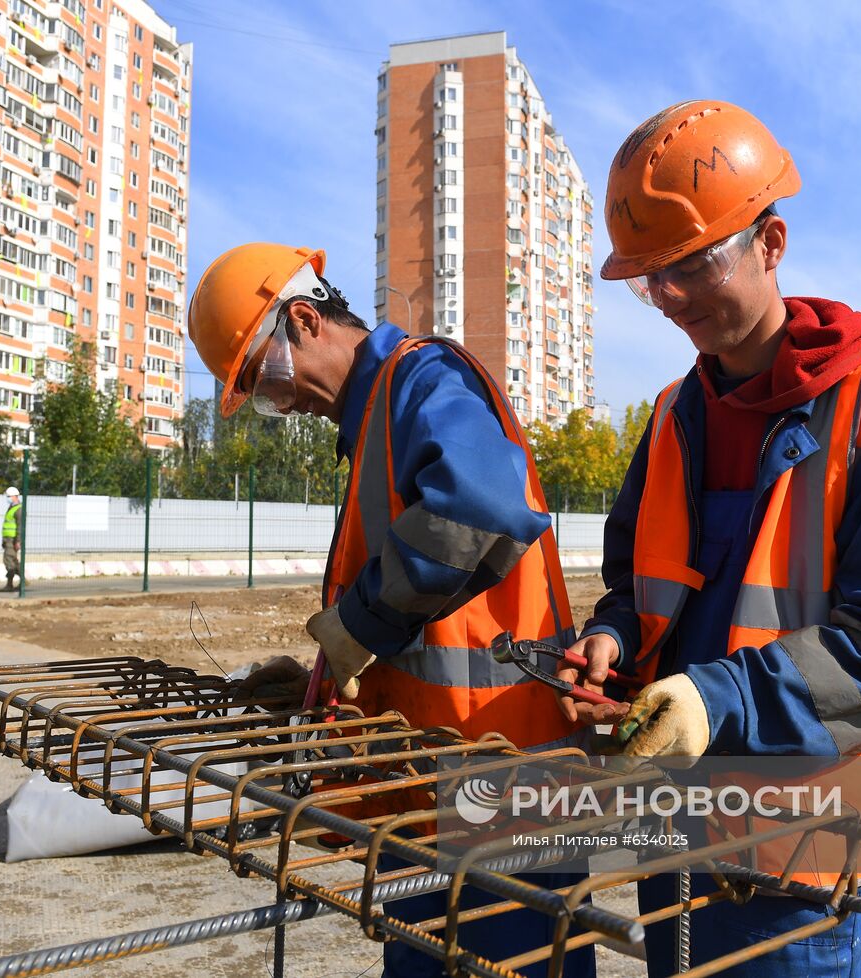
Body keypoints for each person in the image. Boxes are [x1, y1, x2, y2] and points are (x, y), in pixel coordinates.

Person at [557, 101, 861, 976]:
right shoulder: (674, 415)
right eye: (648, 277)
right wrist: (614, 636)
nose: (667, 298)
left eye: (690, 267)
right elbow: (639, 580)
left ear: (770, 243)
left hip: (803, 863)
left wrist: (717, 701)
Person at [188, 243, 593, 978]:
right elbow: (418, 611)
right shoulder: (375, 417)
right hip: (428, 790)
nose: (281, 403)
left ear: (306, 321)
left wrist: (359, 627)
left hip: (503, 787)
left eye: (266, 378)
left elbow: (482, 506)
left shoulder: (421, 380)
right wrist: (323, 675)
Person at [1, 486, 23, 592]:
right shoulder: (11, 508)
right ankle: (23, 580)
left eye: (9, 496)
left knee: (8, 560)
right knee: (13, 560)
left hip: (13, 539)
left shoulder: (18, 509)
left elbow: (20, 527)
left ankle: (10, 584)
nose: (7, 498)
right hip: (8, 539)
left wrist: (18, 541)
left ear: (15, 496)